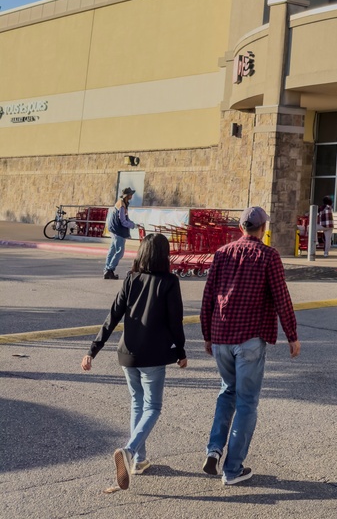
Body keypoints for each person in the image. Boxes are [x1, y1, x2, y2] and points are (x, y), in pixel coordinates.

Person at [200, 204, 299, 487]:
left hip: (221, 337)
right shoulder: (268, 256)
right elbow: (282, 297)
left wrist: (207, 334)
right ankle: (232, 469)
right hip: (249, 339)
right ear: (263, 229)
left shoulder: (221, 254)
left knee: (226, 392)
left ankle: (214, 449)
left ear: (241, 228)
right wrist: (292, 334)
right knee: (246, 402)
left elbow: (209, 296)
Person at [82, 232, 188, 490]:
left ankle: (139, 460)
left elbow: (113, 316)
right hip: (153, 356)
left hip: (127, 354)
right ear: (165, 255)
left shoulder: (130, 279)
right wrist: (181, 351)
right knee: (153, 407)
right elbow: (175, 321)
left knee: (137, 404)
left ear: (141, 254)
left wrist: (92, 350)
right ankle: (129, 451)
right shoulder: (169, 281)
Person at [104, 187, 136, 280]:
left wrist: (132, 223)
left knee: (112, 250)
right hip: (118, 230)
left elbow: (126, 218)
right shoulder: (122, 205)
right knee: (119, 251)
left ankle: (106, 270)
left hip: (114, 229)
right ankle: (110, 270)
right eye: (130, 194)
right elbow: (123, 221)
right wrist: (132, 225)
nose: (131, 196)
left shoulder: (122, 203)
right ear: (127, 196)